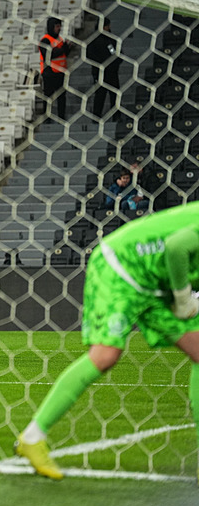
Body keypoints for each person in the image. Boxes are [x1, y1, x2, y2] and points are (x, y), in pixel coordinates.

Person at [15, 202, 199, 480]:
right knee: (105, 355)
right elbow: (177, 247)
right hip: (120, 267)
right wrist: (184, 298)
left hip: (155, 284)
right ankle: (32, 438)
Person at [39, 17, 74, 120]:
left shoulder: (60, 39)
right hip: (49, 72)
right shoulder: (45, 40)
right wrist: (63, 49)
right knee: (48, 96)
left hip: (60, 72)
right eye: (57, 26)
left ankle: (61, 117)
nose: (59, 28)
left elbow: (64, 54)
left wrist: (68, 47)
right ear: (51, 27)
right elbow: (49, 55)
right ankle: (47, 117)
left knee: (61, 96)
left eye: (60, 26)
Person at [86, 18, 122, 118]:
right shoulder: (93, 40)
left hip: (112, 72)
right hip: (100, 72)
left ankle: (116, 115)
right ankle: (97, 116)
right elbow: (89, 55)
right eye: (106, 26)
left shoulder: (112, 39)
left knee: (114, 94)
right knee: (100, 95)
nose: (108, 28)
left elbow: (119, 54)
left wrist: (115, 64)